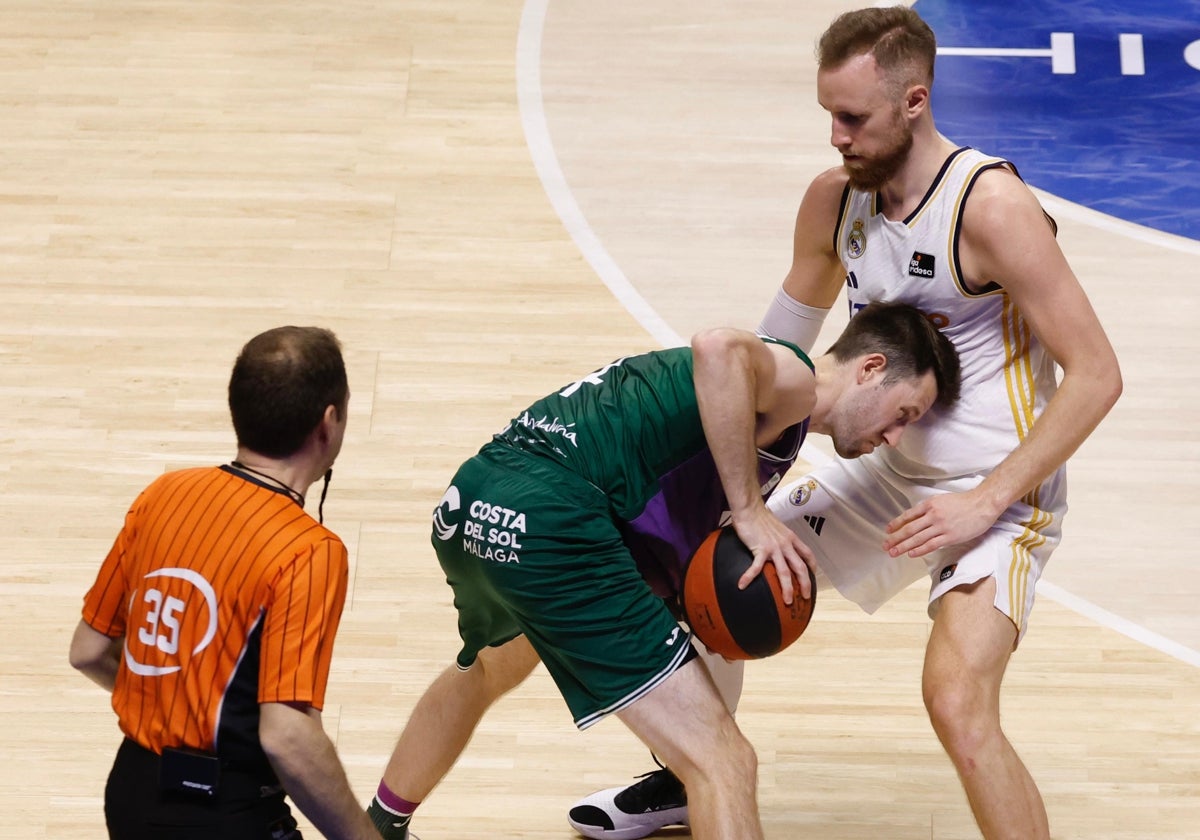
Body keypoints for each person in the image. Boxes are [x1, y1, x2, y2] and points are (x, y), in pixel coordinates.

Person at [566, 7, 1122, 840]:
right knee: (717, 565)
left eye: (853, 117)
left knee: (956, 702)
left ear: (915, 102)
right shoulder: (837, 201)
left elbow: (1098, 376)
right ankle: (695, 780)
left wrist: (984, 502)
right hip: (881, 475)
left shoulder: (990, 206)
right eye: (828, 113)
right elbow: (779, 348)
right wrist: (737, 484)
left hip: (996, 495)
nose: (836, 136)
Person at [363, 302, 960, 840]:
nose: (896, 436)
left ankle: (377, 828)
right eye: (903, 411)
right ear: (869, 368)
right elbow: (717, 345)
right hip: (554, 519)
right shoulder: (795, 381)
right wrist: (750, 511)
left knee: (490, 667)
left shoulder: (760, 411)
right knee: (724, 763)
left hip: (477, 500)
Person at [69, 326, 381, 840]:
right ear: (329, 423)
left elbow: (89, 650)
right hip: (225, 813)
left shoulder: (163, 494)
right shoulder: (308, 550)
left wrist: (173, 701)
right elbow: (288, 736)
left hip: (129, 792)